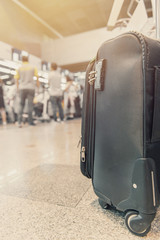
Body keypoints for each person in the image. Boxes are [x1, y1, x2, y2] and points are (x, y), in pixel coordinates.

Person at [14, 55, 39, 127]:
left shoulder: (19, 68)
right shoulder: (33, 67)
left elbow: (16, 80)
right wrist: (37, 87)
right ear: (28, 60)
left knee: (21, 105)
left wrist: (18, 89)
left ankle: (19, 122)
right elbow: (37, 77)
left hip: (22, 88)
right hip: (31, 88)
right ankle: (30, 122)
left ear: (22, 60)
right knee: (30, 105)